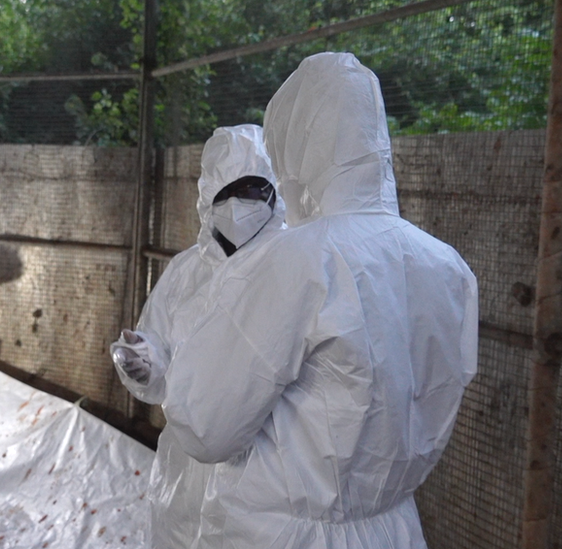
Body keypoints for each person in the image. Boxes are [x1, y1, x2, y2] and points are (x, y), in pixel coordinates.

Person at [159, 52, 479, 548]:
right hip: (393, 527)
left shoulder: (297, 262)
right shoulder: (447, 267)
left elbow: (205, 427)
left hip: (283, 534)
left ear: (296, 144)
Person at [110, 124, 285, 548]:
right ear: (208, 198)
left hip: (264, 476)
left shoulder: (292, 266)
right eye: (230, 192)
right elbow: (158, 350)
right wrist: (143, 362)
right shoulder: (186, 272)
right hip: (184, 473)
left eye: (254, 189)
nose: (242, 204)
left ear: (276, 192)